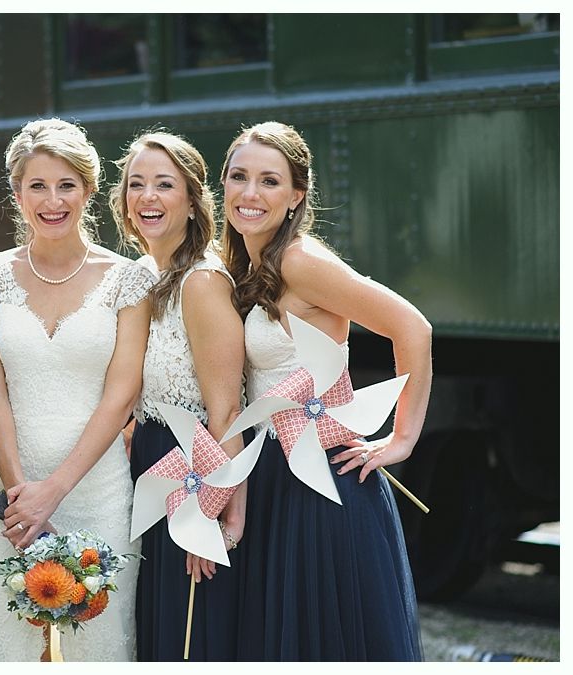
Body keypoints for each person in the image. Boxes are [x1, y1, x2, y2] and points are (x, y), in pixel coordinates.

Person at [220, 121, 431, 660]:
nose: (249, 193)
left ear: (295, 196)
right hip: (272, 471)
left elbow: (412, 327)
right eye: (238, 177)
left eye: (269, 181)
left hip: (320, 481)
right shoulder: (248, 261)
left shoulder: (299, 261)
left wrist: (401, 437)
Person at [0, 118, 155, 661]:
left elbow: (121, 397)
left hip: (97, 490)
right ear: (17, 192)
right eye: (37, 186)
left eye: (66, 185)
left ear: (89, 189)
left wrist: (56, 489)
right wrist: (21, 494)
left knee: (98, 645)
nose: (52, 201)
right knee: (13, 646)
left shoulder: (128, 279)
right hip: (7, 496)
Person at [108, 131, 247, 661]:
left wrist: (212, 509)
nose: (148, 197)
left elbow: (227, 410)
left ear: (192, 200)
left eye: (164, 185)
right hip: (150, 461)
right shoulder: (144, 274)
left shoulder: (202, 282)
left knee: (192, 629)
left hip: (194, 469)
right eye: (136, 184)